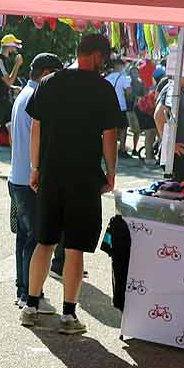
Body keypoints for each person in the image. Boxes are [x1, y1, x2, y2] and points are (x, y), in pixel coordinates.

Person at [20, 32, 124, 335]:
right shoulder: (103, 89)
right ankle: (68, 315)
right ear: (95, 56)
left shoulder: (49, 82)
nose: (104, 65)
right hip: (83, 177)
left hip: (51, 174)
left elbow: (35, 129)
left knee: (45, 242)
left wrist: (35, 168)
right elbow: (109, 136)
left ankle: (30, 306)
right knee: (75, 247)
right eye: (103, 59)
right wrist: (111, 173)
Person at [8, 53, 61, 310]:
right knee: (36, 239)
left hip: (17, 178)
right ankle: (31, 295)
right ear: (47, 73)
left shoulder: (23, 95)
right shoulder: (37, 98)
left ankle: (23, 290)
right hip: (30, 181)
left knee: (24, 238)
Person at [0, 34, 24, 130]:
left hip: (6, 101)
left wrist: (13, 88)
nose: (16, 47)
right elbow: (9, 81)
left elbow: (2, 82)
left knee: (12, 128)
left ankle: (14, 146)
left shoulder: (4, 60)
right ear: (10, 45)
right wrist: (17, 64)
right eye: (14, 44)